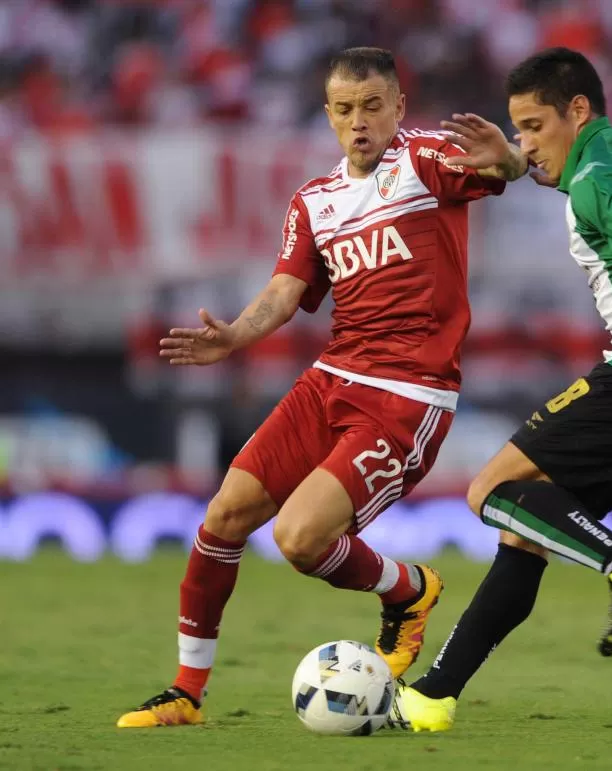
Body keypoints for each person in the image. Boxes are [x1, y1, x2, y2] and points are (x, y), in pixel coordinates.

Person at [116, 46, 524, 728]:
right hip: (331, 378)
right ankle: (187, 691)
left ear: (398, 105)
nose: (358, 123)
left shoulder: (423, 162)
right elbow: (284, 292)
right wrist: (236, 336)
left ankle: (408, 591)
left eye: (372, 107)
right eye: (343, 110)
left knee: (301, 540)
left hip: (408, 394)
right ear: (327, 114)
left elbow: (503, 168)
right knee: (223, 517)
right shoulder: (314, 201)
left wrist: (506, 157)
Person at [390, 47, 612, 732]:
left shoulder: (594, 183)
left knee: (490, 490)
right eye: (518, 129)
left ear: (577, 111)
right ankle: (434, 693)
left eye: (532, 127)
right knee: (529, 527)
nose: (525, 145)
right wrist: (516, 158)